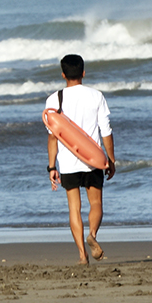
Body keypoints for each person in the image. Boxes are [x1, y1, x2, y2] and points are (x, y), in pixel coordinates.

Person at [46, 54, 116, 265]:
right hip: (93, 160)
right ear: (83, 72)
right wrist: (111, 160)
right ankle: (92, 235)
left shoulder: (54, 99)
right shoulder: (96, 96)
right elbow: (106, 132)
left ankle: (82, 256)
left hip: (68, 163)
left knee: (73, 208)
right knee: (95, 203)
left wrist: (51, 167)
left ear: (63, 74)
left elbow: (53, 137)